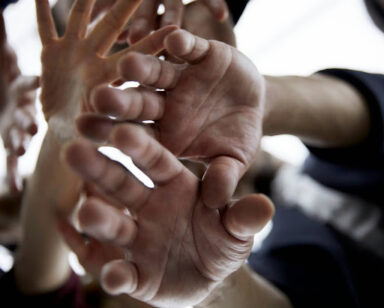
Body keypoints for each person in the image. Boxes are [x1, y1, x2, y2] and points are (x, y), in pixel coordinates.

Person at [61, 1, 384, 308]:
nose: (192, 160)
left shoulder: (328, 163)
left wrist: (270, 101)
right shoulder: (280, 251)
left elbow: (368, 121)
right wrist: (217, 288)